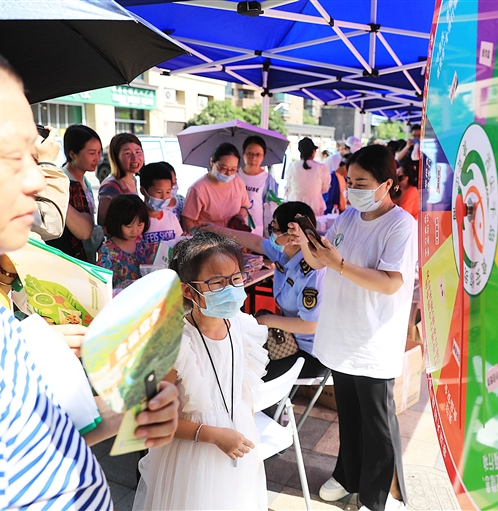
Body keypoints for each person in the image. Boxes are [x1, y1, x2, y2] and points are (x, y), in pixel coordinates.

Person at [0, 33, 179, 510]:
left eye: (35, 158)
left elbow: (29, 456)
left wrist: (123, 416)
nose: (36, 180)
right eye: (10, 156)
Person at [288, 145, 416, 511]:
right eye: (351, 181)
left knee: (377, 422)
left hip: (373, 338)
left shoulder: (401, 225)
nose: (353, 188)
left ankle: (380, 497)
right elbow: (321, 262)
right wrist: (307, 244)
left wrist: (340, 264)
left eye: (362, 183)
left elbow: (390, 282)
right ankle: (347, 477)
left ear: (386, 184)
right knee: (348, 413)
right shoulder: (348, 217)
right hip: (341, 334)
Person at [134, 232, 269, 510]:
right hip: (193, 454)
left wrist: (251, 439)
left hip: (239, 441)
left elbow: (244, 393)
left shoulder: (242, 327)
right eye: (217, 283)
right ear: (188, 291)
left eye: (235, 279)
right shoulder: (176, 343)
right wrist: (214, 435)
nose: (230, 289)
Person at [202, 202, 327, 381]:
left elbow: (310, 325)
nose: (271, 234)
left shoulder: (313, 272)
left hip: (310, 352)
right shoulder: (285, 254)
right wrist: (216, 230)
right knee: (235, 355)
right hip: (286, 338)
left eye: (274, 229)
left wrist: (266, 321)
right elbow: (256, 242)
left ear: (291, 236)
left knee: (247, 373)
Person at [47, 124, 101, 260]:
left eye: (99, 152)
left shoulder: (85, 181)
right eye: (91, 153)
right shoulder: (60, 180)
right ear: (72, 154)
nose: (97, 158)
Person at [182, 142, 250, 231]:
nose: (228, 173)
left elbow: (245, 205)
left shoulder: (238, 182)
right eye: (223, 168)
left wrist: (240, 216)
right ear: (212, 162)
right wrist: (198, 237)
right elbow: (187, 221)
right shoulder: (198, 189)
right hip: (208, 236)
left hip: (233, 235)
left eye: (233, 169)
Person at [97, 194, 157, 288]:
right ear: (116, 223)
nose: (135, 231)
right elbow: (102, 285)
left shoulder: (141, 244)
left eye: (140, 224)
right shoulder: (107, 251)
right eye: (128, 226)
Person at [98, 133, 144, 226]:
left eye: (138, 152)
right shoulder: (110, 187)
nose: (135, 158)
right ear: (116, 157)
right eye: (127, 153)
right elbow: (103, 223)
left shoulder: (133, 180)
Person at [238, 135, 280, 237]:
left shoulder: (268, 180)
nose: (253, 158)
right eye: (250, 153)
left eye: (258, 154)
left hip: (256, 232)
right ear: (243, 153)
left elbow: (271, 210)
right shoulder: (234, 174)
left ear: (263, 156)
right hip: (234, 227)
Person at [285, 137, 331, 217]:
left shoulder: (293, 166)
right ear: (313, 151)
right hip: (315, 205)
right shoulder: (321, 167)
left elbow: (289, 186)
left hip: (295, 203)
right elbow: (325, 189)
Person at [140, 162, 183, 243]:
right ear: (143, 191)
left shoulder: (171, 217)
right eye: (159, 192)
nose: (164, 197)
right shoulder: (137, 221)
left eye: (168, 192)